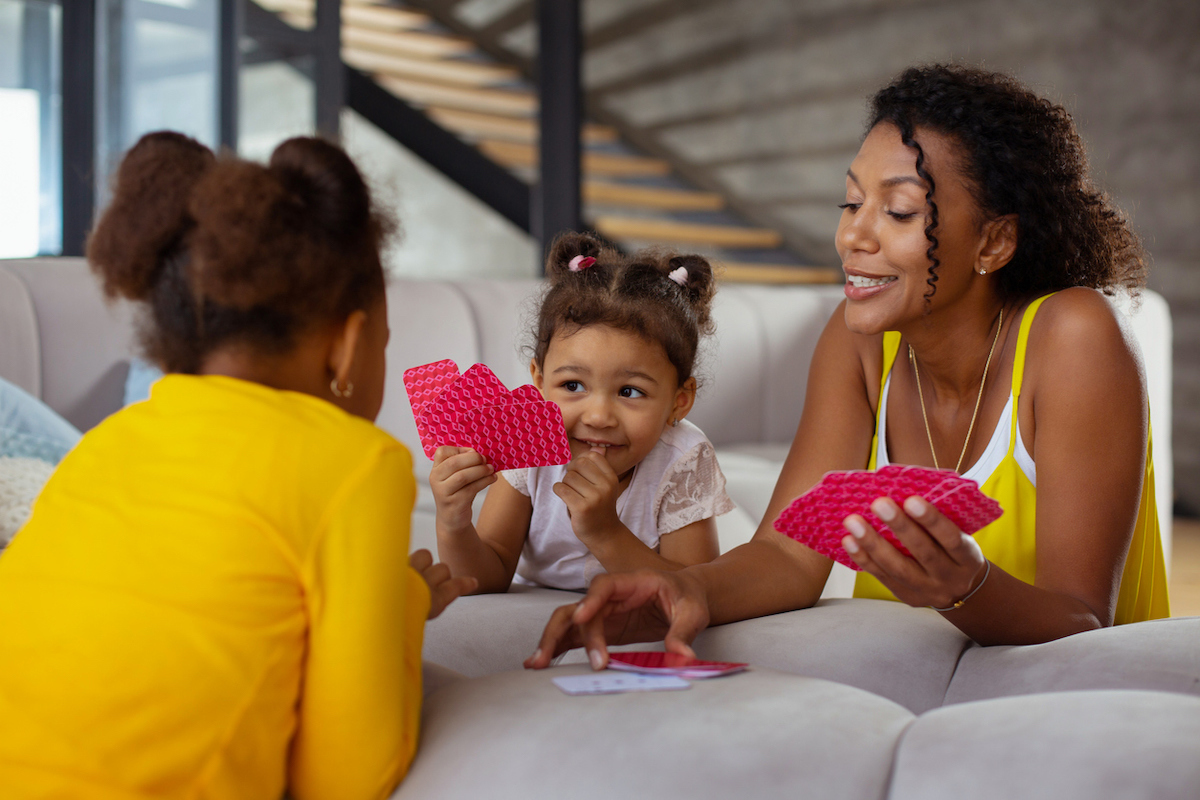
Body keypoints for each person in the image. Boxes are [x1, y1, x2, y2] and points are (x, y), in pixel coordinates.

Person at [526, 64, 1170, 668]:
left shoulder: (1075, 336)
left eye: (897, 212)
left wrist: (965, 586)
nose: (853, 238)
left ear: (994, 241)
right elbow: (786, 556)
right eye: (850, 203)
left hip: (1071, 699)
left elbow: (1083, 617)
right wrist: (675, 593)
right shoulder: (861, 342)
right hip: (909, 685)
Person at [0, 132, 474, 799]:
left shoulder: (105, 443)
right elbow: (345, 779)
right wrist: (403, 599)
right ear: (347, 344)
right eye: (384, 342)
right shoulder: (358, 465)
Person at [432, 232, 734, 594]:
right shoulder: (526, 441)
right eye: (573, 386)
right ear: (539, 383)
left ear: (678, 402)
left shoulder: (683, 459)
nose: (598, 416)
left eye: (629, 392)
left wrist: (605, 531)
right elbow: (487, 575)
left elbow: (695, 589)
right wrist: (454, 522)